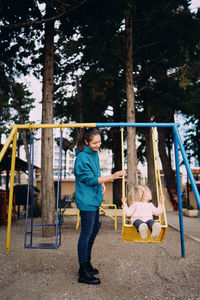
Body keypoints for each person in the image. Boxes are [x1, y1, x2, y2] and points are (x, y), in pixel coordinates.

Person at [74, 127, 126, 285]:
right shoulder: (82, 158)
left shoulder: (94, 154)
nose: (98, 145)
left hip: (94, 198)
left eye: (99, 142)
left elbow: (95, 174)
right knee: (86, 233)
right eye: (95, 142)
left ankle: (87, 263)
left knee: (94, 229)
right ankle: (83, 271)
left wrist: (101, 184)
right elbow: (89, 180)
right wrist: (112, 177)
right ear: (86, 142)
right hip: (86, 201)